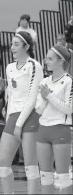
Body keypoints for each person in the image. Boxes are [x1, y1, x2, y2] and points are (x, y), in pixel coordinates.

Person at [0, 31, 43, 194]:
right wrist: (9, 119)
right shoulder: (9, 68)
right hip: (13, 117)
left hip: (30, 117)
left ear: (27, 47)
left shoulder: (34, 65)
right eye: (12, 44)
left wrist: (18, 124)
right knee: (2, 164)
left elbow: (32, 99)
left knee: (30, 166)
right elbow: (10, 95)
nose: (12, 47)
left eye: (16, 44)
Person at [35, 45, 73, 194]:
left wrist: (49, 96)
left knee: (63, 178)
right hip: (42, 130)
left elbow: (69, 109)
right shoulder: (44, 81)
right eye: (46, 58)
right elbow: (38, 110)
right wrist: (45, 99)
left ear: (60, 61)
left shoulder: (69, 81)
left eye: (50, 58)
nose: (46, 61)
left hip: (60, 130)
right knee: (45, 178)